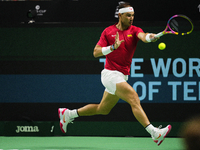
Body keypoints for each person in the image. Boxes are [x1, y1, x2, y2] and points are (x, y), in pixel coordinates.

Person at [58, 2, 171, 146]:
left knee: (102, 109)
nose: (131, 18)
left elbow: (143, 36)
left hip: (122, 75)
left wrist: (150, 37)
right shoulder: (108, 31)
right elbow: (95, 52)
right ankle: (154, 132)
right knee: (133, 97)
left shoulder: (135, 30)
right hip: (110, 74)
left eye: (133, 15)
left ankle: (68, 114)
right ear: (120, 15)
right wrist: (112, 47)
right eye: (128, 15)